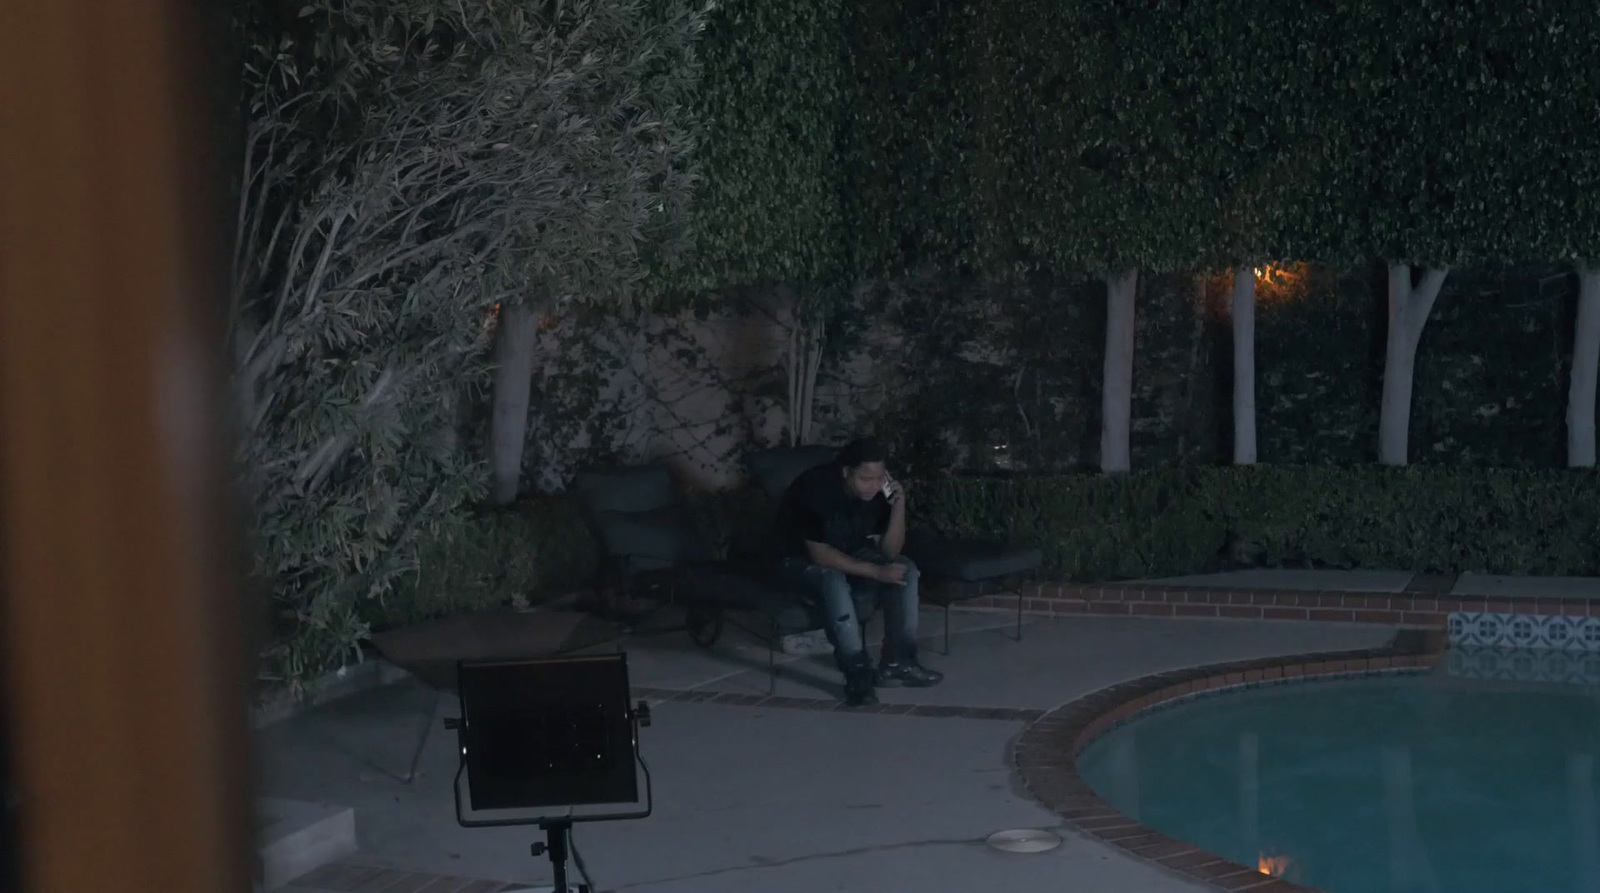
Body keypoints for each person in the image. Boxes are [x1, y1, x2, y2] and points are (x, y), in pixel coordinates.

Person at [768, 438, 943, 706]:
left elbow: (890, 552)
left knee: (906, 569)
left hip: (848, 551)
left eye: (878, 478)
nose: (873, 486)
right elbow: (820, 555)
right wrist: (875, 571)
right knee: (833, 579)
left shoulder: (878, 491)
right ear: (846, 472)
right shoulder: (814, 488)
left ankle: (899, 662)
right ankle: (856, 672)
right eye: (865, 479)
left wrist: (898, 508)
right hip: (795, 559)